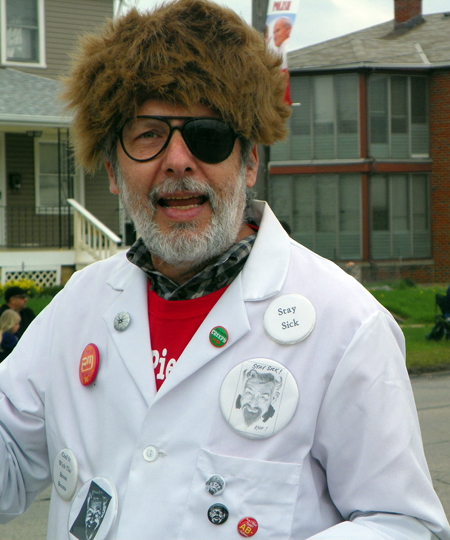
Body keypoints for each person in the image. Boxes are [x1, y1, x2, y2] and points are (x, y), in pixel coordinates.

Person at [0, 1, 449, 539]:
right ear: (114, 170)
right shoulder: (77, 306)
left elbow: (403, 524)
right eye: (147, 134)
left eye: (207, 135)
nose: (178, 161)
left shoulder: (346, 326)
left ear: (250, 161)